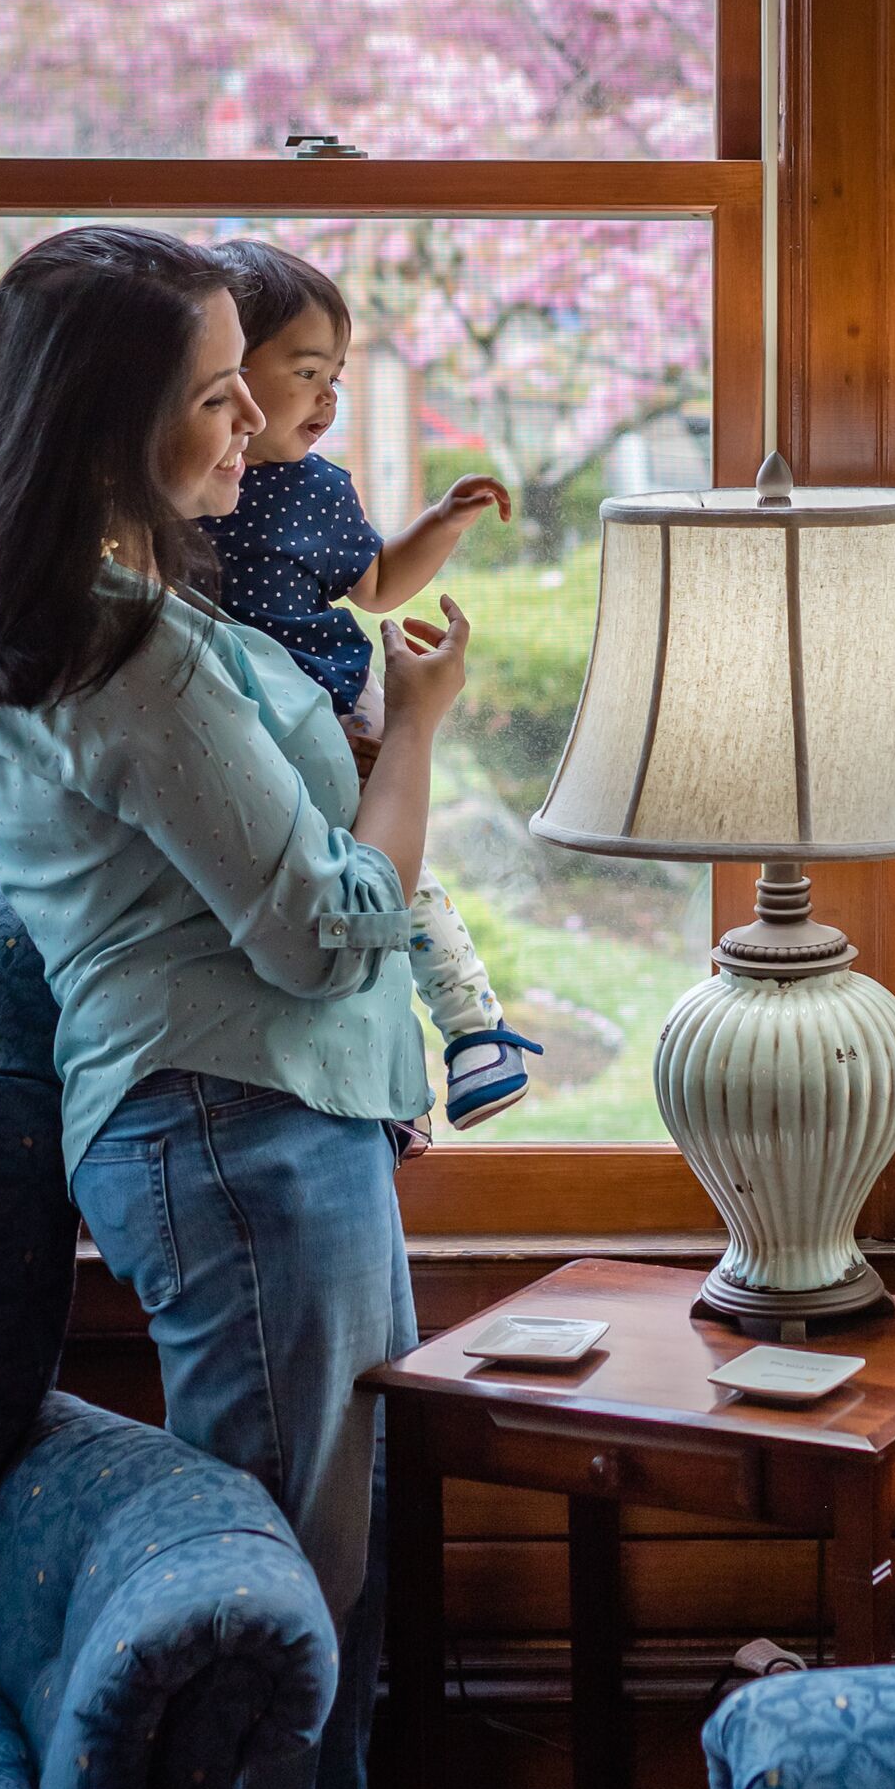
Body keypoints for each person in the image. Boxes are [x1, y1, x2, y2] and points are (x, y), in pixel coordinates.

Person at [0, 220, 468, 1789]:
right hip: (233, 1131)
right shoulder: (124, 643)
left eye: (250, 384)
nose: (254, 426)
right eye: (217, 396)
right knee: (273, 1583)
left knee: (331, 1569)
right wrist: (418, 742)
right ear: (104, 421)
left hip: (267, 1124)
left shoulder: (109, 609)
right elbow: (315, 932)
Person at [199, 238, 544, 1133]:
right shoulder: (168, 496)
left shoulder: (315, 490)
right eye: (306, 372)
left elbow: (378, 585)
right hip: (231, 724)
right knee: (321, 904)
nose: (328, 397)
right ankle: (403, 1062)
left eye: (336, 376)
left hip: (334, 707)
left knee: (382, 888)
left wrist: (442, 522)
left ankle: (471, 1027)